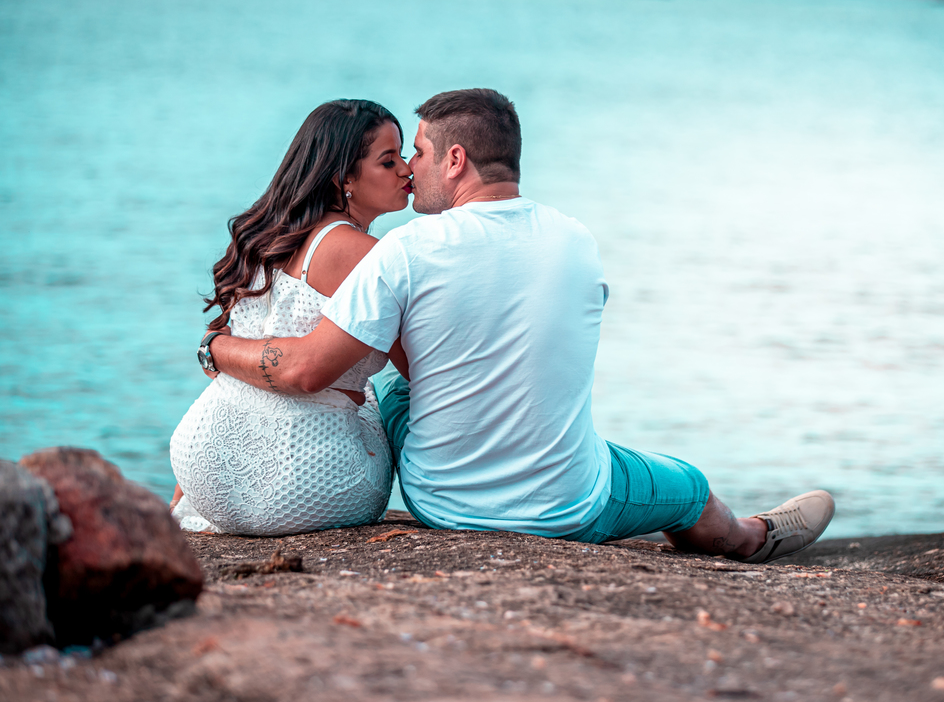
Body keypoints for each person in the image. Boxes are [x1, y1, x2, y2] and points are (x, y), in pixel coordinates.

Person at [199, 89, 835, 562]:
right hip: (570, 505)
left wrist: (216, 346)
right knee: (687, 485)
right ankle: (751, 537)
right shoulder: (577, 240)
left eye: (415, 153)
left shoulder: (404, 250)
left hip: (440, 502)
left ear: (454, 159)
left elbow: (312, 367)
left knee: (392, 388)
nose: (410, 168)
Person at [170, 99, 413, 536]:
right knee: (397, 393)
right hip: (309, 475)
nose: (407, 169)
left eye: (405, 155)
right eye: (388, 161)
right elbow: (419, 366)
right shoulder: (365, 255)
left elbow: (226, 362)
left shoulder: (266, 238)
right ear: (344, 179)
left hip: (200, 458)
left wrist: (185, 493)